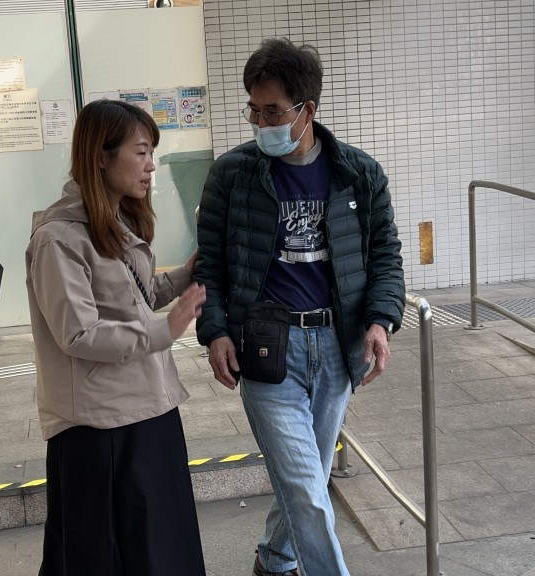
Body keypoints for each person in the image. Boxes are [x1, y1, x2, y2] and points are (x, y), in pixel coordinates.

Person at [194, 38, 405, 576]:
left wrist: (380, 320)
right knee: (308, 489)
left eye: (273, 111)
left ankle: (274, 558)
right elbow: (209, 264)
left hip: (337, 346)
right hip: (268, 347)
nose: (261, 122)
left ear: (307, 110)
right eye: (254, 110)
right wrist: (216, 332)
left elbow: (385, 255)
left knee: (307, 476)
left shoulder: (359, 173)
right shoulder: (232, 175)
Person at [25, 99, 208, 575]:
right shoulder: (59, 238)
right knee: (106, 556)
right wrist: (165, 329)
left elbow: (134, 298)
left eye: (152, 153)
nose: (151, 165)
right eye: (141, 152)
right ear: (101, 157)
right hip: (98, 425)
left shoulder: (116, 219)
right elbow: (79, 333)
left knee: (161, 547)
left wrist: (182, 278)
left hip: (149, 407)